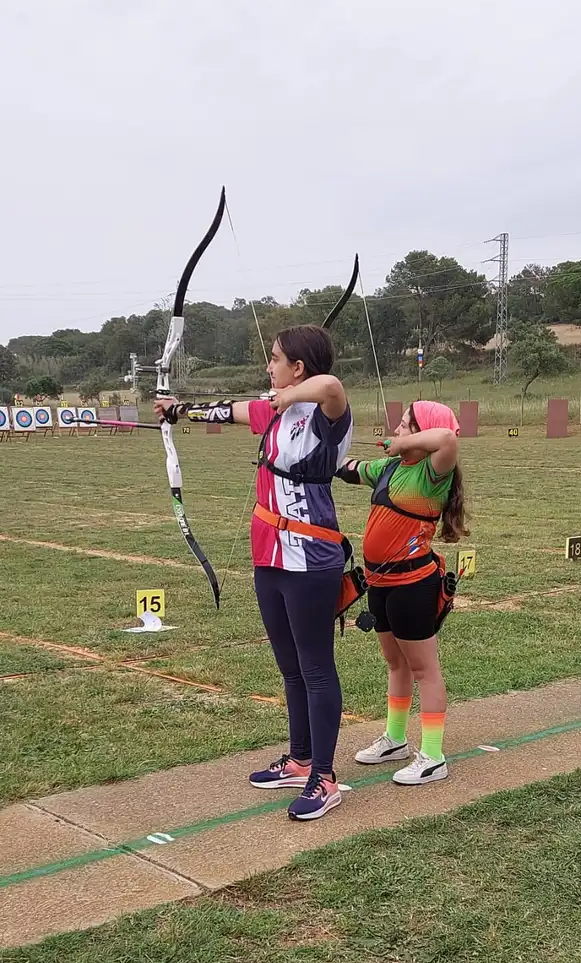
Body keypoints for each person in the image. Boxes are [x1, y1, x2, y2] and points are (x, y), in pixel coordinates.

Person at [154, 324, 352, 821]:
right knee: (289, 667)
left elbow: (331, 387)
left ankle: (324, 778)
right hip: (269, 554)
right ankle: (300, 757)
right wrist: (176, 409)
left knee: (315, 668)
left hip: (310, 557)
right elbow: (223, 410)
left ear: (298, 368)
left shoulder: (327, 415)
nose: (269, 367)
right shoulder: (272, 410)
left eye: (275, 359)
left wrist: (286, 397)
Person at [335, 399, 467, 785]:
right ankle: (395, 739)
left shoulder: (433, 472)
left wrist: (404, 443)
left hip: (413, 586)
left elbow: (447, 437)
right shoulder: (390, 467)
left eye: (407, 424)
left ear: (423, 432)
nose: (398, 428)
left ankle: (433, 755)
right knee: (396, 664)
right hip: (381, 584)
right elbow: (350, 470)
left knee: (425, 670)